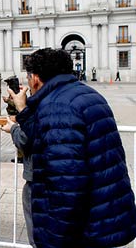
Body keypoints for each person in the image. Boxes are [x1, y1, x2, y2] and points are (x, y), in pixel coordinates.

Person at [10, 48, 136, 247]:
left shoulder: (57, 107)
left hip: (85, 223)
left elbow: (66, 181)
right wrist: (24, 111)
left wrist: (55, 239)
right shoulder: (87, 94)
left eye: (28, 78)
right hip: (105, 208)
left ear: (35, 78)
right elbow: (50, 140)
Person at [2, 114, 35, 248]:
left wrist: (14, 128)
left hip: (41, 177)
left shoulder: (46, 104)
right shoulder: (94, 100)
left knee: (40, 234)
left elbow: (24, 139)